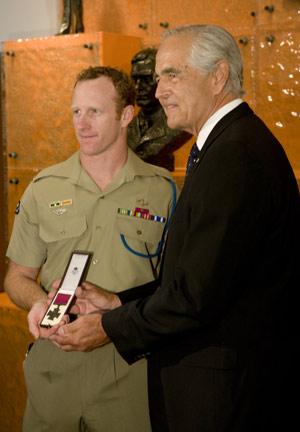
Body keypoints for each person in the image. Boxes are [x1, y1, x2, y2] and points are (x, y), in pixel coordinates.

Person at [38, 25, 299, 431]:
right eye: (159, 77)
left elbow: (195, 296)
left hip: (224, 397)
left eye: (172, 74)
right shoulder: (226, 147)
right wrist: (117, 302)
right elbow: (196, 276)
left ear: (218, 76)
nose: (158, 92)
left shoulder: (236, 157)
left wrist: (108, 327)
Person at [4, 66, 177, 432]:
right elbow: (17, 277)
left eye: (95, 111)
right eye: (76, 111)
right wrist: (37, 302)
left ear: (126, 115)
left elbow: (176, 289)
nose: (81, 123)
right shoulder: (43, 188)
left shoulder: (164, 192)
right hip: (54, 368)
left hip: (129, 370)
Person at [128, 47, 191, 171]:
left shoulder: (181, 124)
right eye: (135, 80)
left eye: (146, 80)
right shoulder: (125, 127)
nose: (137, 87)